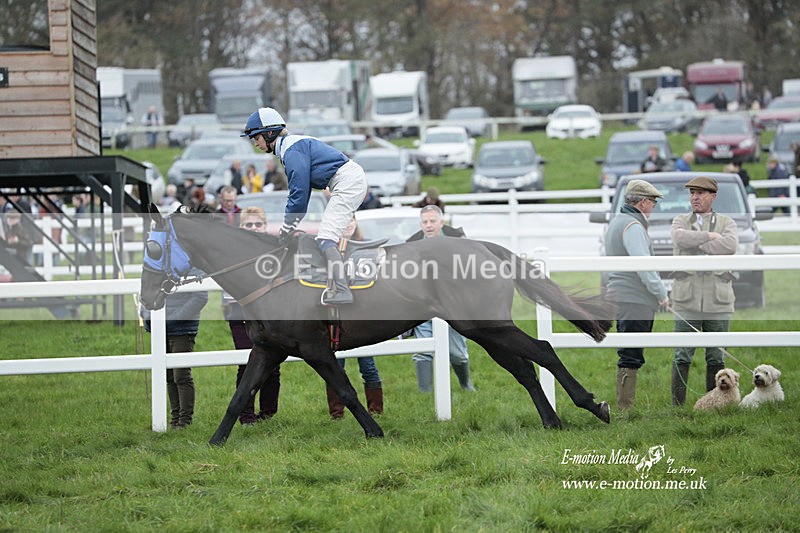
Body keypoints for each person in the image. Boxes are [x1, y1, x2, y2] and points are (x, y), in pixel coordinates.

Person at [242, 106, 367, 305]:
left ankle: (343, 291)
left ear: (269, 133)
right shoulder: (290, 147)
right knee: (326, 236)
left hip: (347, 181)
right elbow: (303, 192)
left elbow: (299, 192)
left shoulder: (291, 149)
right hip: (347, 180)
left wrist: (287, 225)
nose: (254, 143)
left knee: (326, 238)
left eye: (256, 137)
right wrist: (290, 223)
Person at [670, 176, 738, 406]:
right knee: (682, 355)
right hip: (686, 299)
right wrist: (709, 237)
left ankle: (715, 404)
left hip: (717, 300)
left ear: (713, 196)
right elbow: (680, 238)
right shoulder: (680, 220)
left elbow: (729, 245)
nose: (695, 197)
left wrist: (695, 242)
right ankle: (678, 406)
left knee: (716, 355)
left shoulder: (727, 222)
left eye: (700, 193)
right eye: (692, 193)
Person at [604, 180, 669, 411]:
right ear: (642, 202)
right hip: (634, 298)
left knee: (628, 350)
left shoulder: (617, 222)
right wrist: (661, 293)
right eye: (652, 202)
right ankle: (626, 408)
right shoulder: (633, 226)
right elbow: (644, 265)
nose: (653, 207)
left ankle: (625, 406)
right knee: (630, 354)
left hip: (621, 296)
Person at [222, 206, 281, 424]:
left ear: (265, 227)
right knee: (246, 363)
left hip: (270, 315)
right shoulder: (232, 252)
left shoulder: (275, 250)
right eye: (249, 224)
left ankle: (268, 414)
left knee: (273, 365)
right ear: (241, 227)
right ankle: (245, 415)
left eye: (258, 224)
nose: (254, 228)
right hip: (241, 314)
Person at [406, 205, 475, 392]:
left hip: (453, 305)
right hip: (424, 306)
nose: (429, 225)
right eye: (425, 222)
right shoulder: (411, 244)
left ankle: (466, 384)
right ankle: (425, 393)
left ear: (441, 223)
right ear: (421, 224)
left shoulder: (458, 241)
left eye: (432, 221)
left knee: (457, 354)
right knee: (422, 352)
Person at [323, 217, 384, 418]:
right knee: (336, 366)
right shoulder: (327, 250)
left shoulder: (366, 248)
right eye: (343, 220)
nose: (348, 224)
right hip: (335, 316)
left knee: (368, 366)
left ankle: (376, 410)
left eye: (351, 220)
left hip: (361, 316)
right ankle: (337, 412)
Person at [140, 267, 208, 428]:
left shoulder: (194, 267)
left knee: (181, 375)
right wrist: (149, 315)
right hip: (159, 329)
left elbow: (200, 297)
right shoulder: (156, 266)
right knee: (169, 376)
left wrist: (172, 319)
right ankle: (175, 418)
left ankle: (184, 420)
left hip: (182, 330)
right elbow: (145, 292)